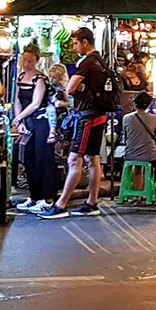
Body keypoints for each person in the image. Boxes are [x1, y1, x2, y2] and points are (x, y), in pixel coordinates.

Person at [39, 28, 107, 218]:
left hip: (87, 117)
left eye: (76, 43)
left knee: (74, 159)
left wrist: (77, 91)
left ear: (85, 42)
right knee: (92, 158)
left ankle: (61, 206)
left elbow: (69, 88)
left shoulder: (88, 62)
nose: (75, 47)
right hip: (99, 115)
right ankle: (92, 202)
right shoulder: (101, 61)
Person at [12, 45, 57, 214]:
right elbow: (17, 99)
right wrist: (20, 120)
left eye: (30, 61)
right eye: (24, 60)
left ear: (37, 61)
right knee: (29, 159)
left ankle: (48, 198)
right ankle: (34, 196)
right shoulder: (21, 77)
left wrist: (19, 118)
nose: (27, 63)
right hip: (27, 122)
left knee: (43, 158)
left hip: (41, 121)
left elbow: (36, 103)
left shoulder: (40, 79)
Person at [120, 91, 156, 201]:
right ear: (149, 105)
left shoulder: (126, 118)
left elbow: (126, 138)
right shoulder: (154, 119)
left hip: (130, 153)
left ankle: (137, 194)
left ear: (135, 104)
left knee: (138, 168)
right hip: (150, 154)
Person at [45, 63, 71, 161]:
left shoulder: (61, 89)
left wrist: (61, 104)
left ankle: (54, 132)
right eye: (50, 77)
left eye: (54, 78)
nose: (51, 79)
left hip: (58, 111)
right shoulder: (46, 86)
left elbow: (68, 103)